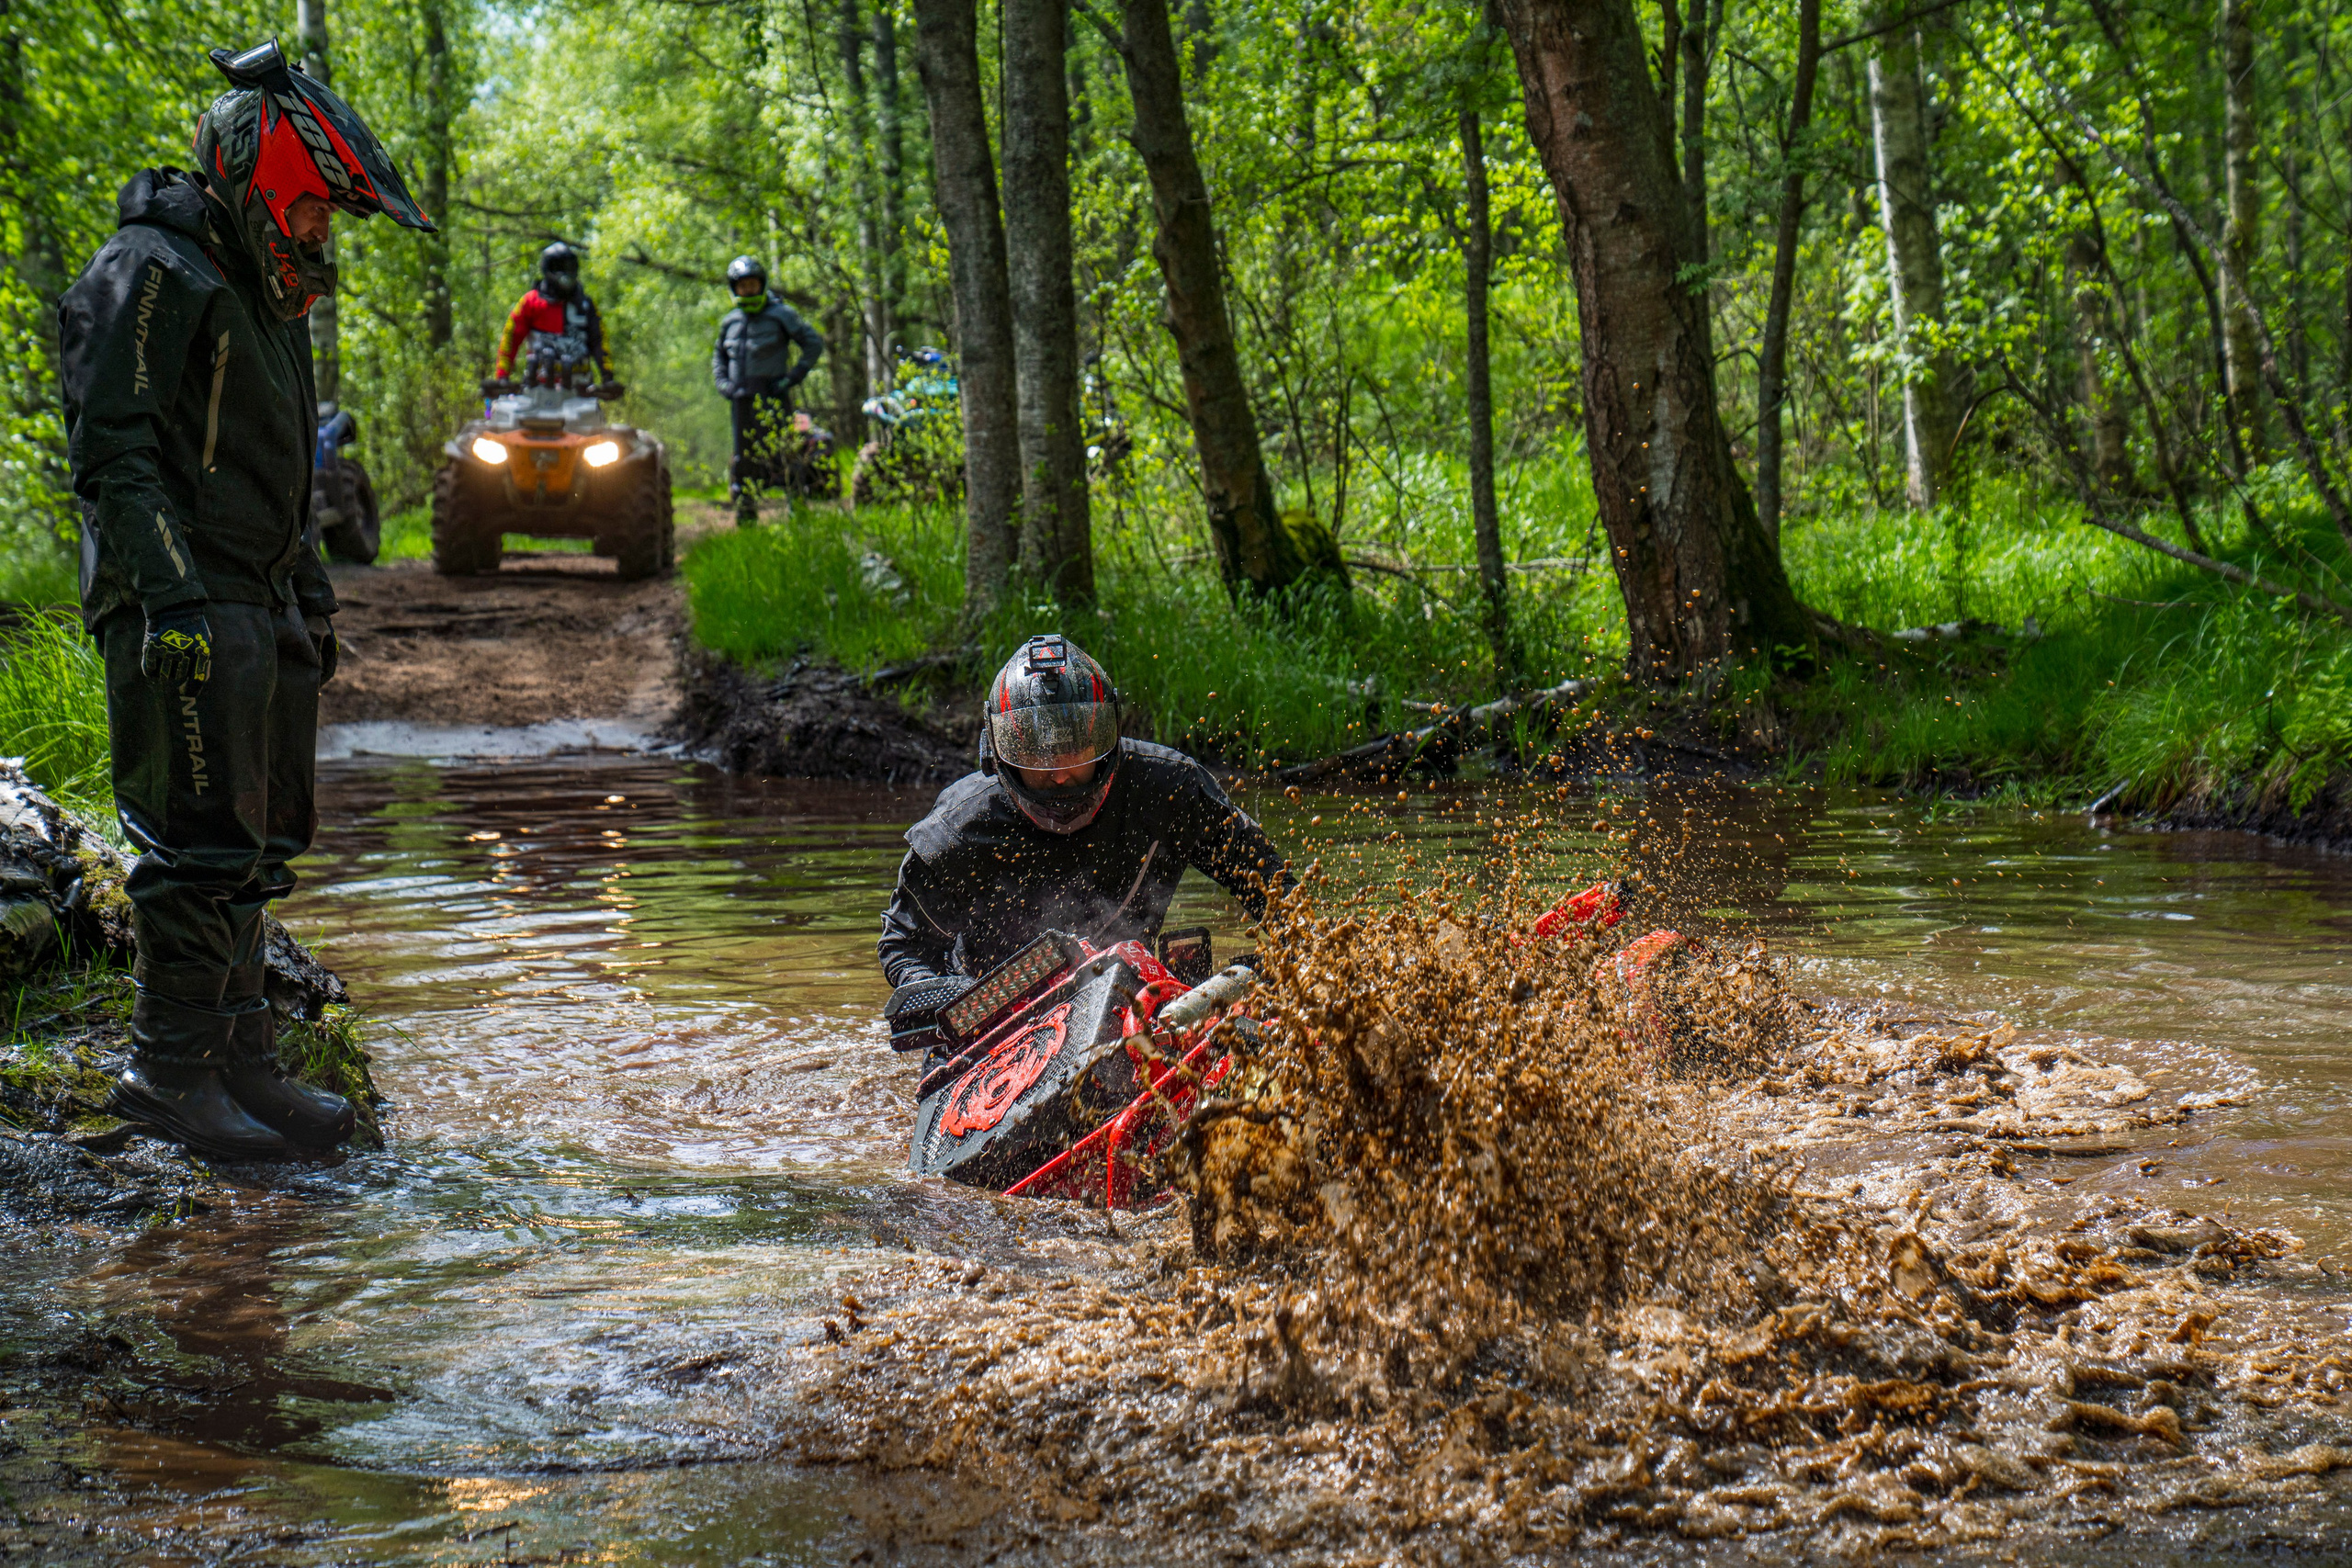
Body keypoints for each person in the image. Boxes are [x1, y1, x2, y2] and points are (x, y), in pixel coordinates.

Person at [56, 39, 435, 1160]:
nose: (321, 231)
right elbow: (113, 453)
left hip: (256, 593)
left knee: (259, 844)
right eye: (315, 208)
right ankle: (169, 1076)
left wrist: (309, 595)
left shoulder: (263, 292)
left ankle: (245, 1063)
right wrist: (170, 599)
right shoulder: (151, 267)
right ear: (264, 181)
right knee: (196, 844)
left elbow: (285, 472)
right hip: (179, 597)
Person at [877, 636, 1293, 989]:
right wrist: (951, 1000)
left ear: (1105, 738)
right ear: (1003, 754)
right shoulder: (960, 830)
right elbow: (904, 946)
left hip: (1132, 994)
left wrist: (1288, 969)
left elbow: (1275, 890)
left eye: (1075, 751)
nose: (1060, 776)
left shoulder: (1169, 791)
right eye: (1038, 756)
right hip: (996, 1017)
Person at [710, 255, 823, 525]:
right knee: (744, 458)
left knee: (785, 453)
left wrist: (793, 376)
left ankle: (798, 512)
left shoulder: (782, 315)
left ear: (761, 285)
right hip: (741, 401)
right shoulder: (730, 322)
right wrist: (723, 384)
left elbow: (813, 343)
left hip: (774, 397)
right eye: (743, 286)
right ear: (735, 288)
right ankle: (746, 514)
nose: (748, 290)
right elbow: (718, 357)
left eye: (753, 284)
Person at [492, 241, 618, 391]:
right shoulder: (531, 302)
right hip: (536, 389)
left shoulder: (587, 305)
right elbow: (511, 337)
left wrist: (607, 377)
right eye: (559, 267)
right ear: (548, 269)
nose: (565, 273)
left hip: (580, 391)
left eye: (569, 267)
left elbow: (599, 340)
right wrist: (502, 377)